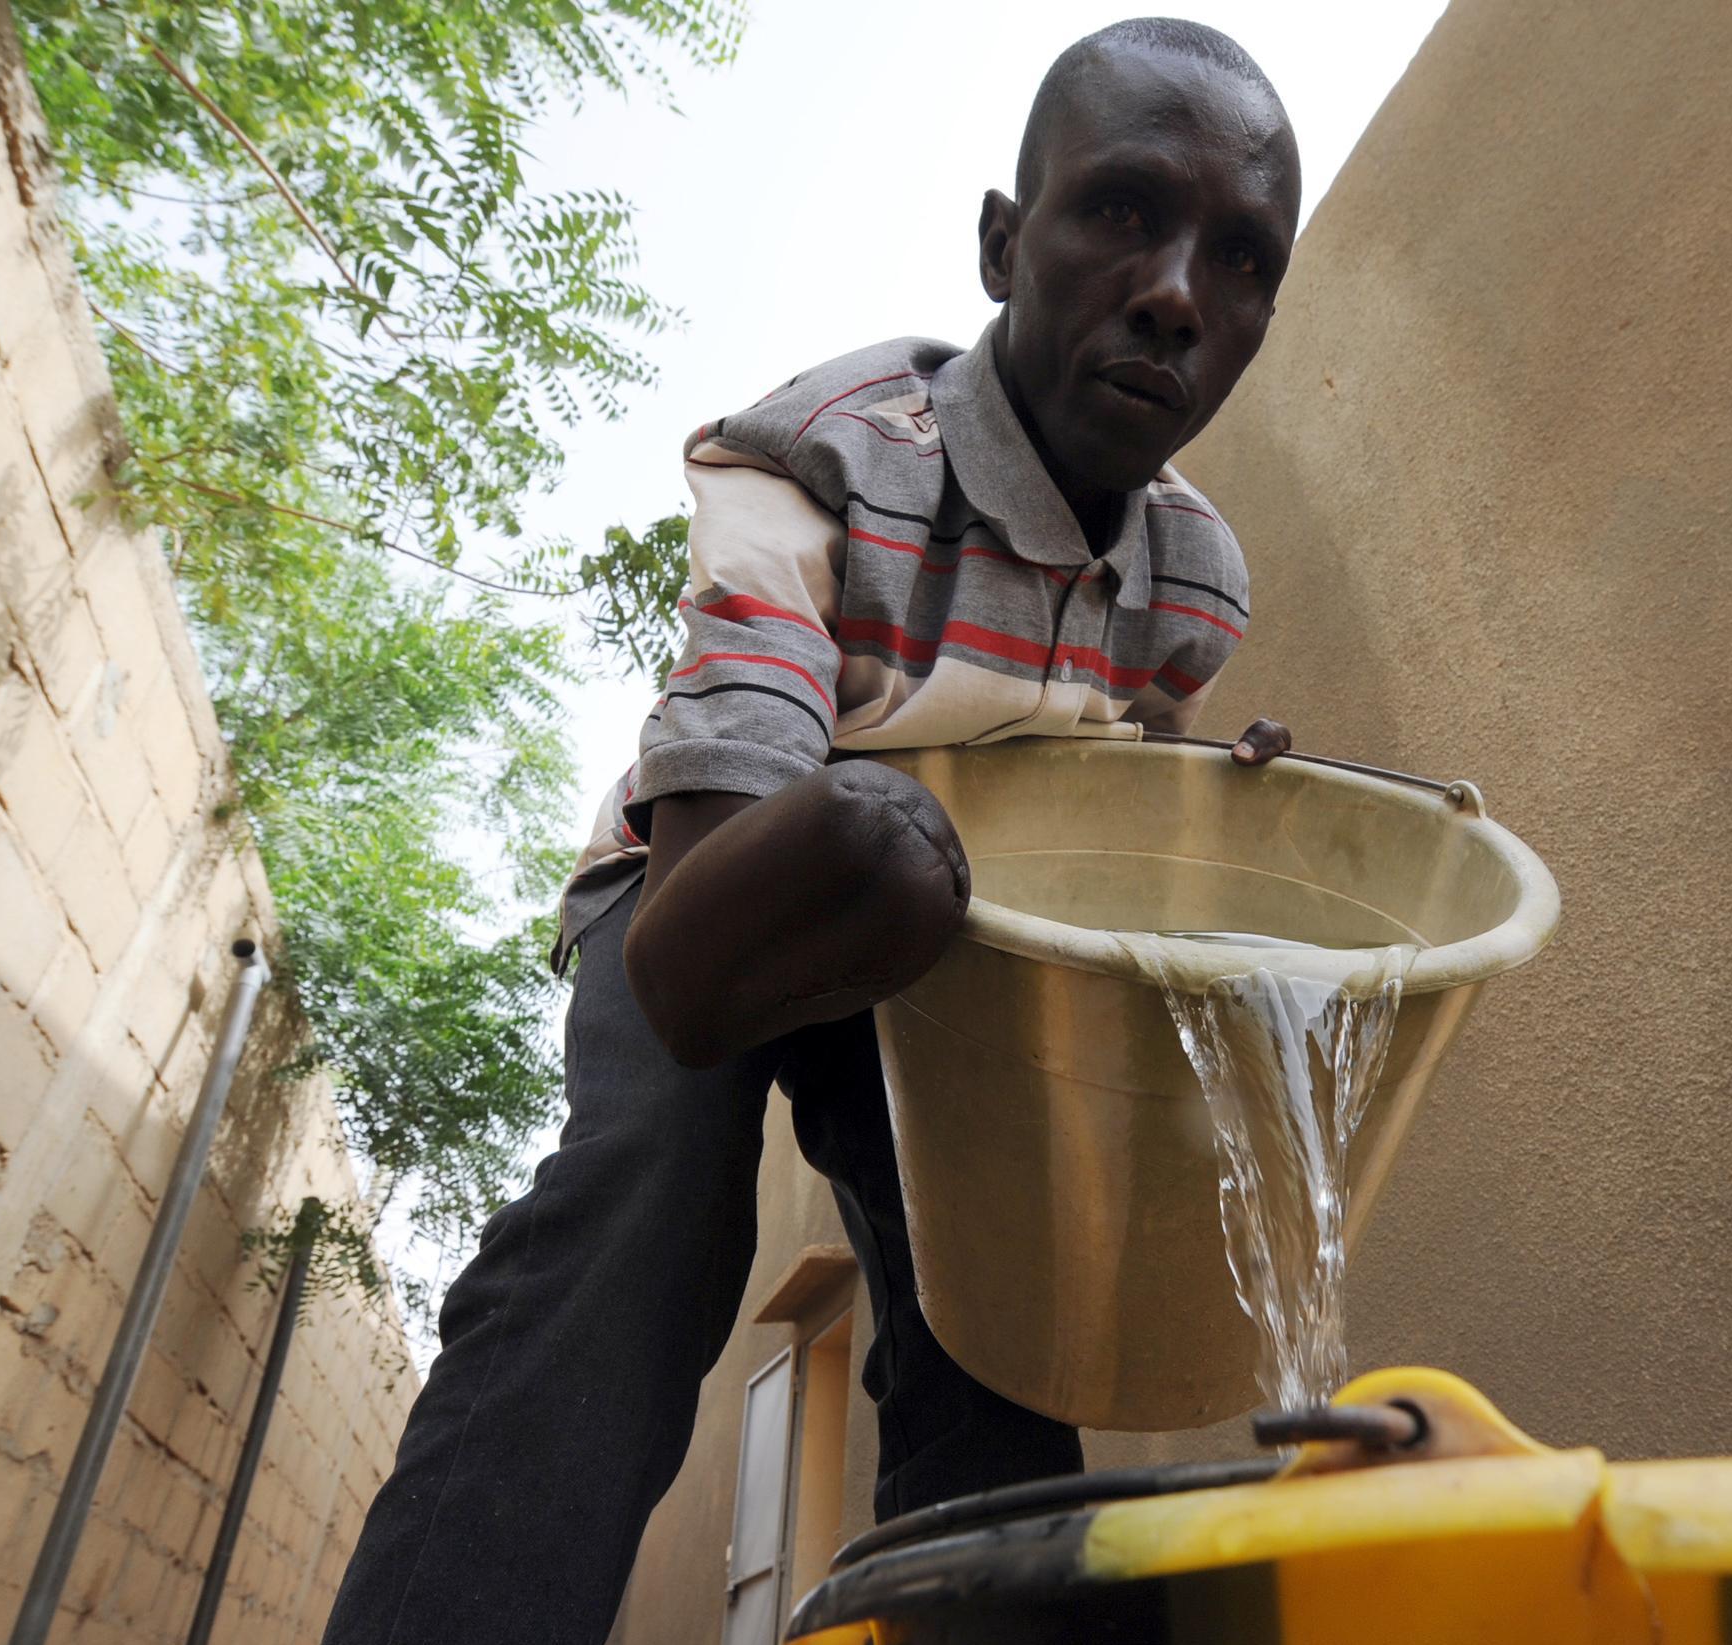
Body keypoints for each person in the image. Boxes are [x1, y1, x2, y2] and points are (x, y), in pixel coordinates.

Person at [320, 18, 1304, 1643]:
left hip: (943, 927)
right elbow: (704, 943)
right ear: (1004, 242)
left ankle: (987, 1603)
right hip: (713, 876)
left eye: (1243, 260)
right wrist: (868, 845)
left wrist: (1202, 801)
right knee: (645, 1214)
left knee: (980, 1297)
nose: (1178, 291)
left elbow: (1131, 776)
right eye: (1123, 211)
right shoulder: (821, 458)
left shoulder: (1194, 580)